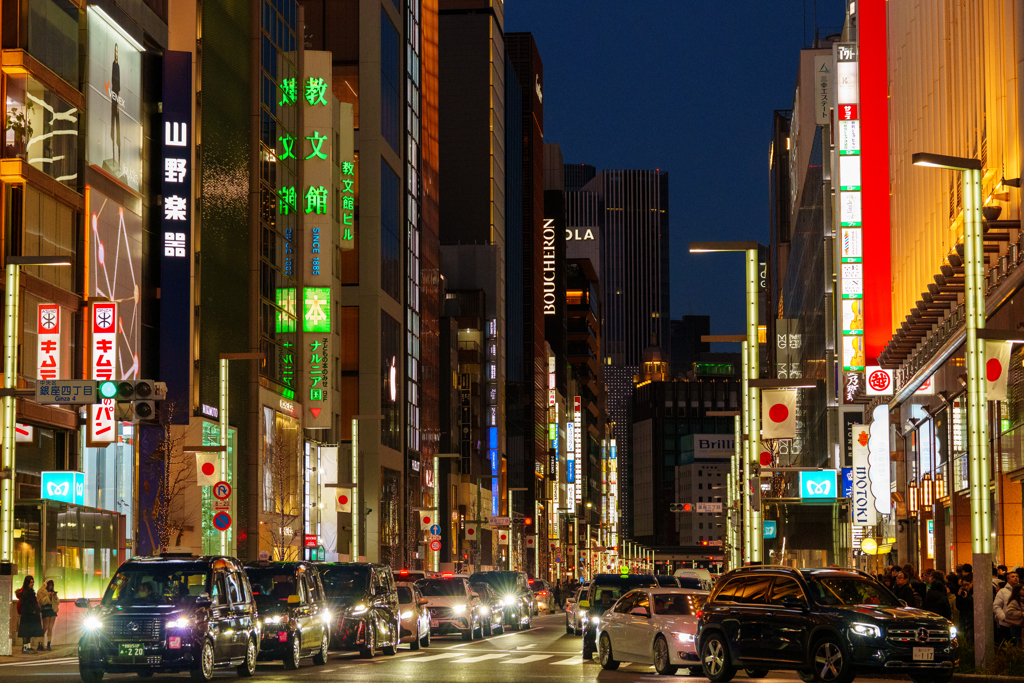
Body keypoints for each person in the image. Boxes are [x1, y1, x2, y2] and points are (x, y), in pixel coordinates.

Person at [16, 576, 44, 653]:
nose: (32, 584)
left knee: (28, 631)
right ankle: (25, 647)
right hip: (27, 615)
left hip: (30, 615)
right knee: (26, 631)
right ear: (27, 583)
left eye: (33, 582)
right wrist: (33, 610)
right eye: (31, 582)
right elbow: (25, 604)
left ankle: (28, 646)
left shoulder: (30, 591)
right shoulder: (25, 592)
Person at [993, 570, 1021, 645]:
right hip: (1006, 624)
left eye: (1017, 576)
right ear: (1008, 579)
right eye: (1013, 577)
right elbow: (996, 606)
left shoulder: (1022, 590)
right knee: (1008, 644)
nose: (1015, 578)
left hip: (1020, 623)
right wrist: (1003, 617)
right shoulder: (1002, 591)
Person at [37, 579, 59, 651]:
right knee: (45, 627)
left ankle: (49, 644)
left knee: (50, 627)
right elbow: (41, 602)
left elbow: (57, 602)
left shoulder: (52, 591)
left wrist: (55, 597)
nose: (50, 587)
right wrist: (48, 597)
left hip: (53, 610)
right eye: (49, 585)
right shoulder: (41, 591)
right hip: (45, 610)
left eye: (52, 585)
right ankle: (40, 643)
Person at [110, 44, 121, 166]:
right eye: (115, 51)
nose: (116, 53)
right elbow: (113, 84)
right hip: (113, 97)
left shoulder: (117, 67)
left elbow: (118, 87)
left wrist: (118, 103)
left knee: (117, 124)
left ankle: (118, 158)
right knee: (112, 124)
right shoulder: (113, 65)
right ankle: (113, 157)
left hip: (116, 99)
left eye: (117, 51)